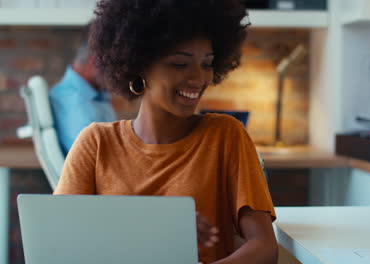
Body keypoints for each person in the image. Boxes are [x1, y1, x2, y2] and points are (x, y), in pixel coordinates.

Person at [54, 0, 278, 263]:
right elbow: (60, 241)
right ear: (137, 64)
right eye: (179, 64)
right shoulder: (96, 143)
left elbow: (264, 247)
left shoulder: (226, 136)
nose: (198, 78)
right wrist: (155, 225)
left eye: (207, 64)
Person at [49, 25, 116, 155]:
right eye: (114, 63)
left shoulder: (90, 96)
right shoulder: (78, 105)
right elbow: (102, 163)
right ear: (96, 60)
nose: (118, 72)